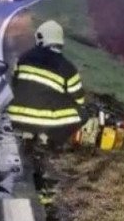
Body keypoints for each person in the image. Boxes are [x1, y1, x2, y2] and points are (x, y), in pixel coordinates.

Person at [6, 20, 88, 148]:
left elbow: (14, 84)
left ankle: (28, 133)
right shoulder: (67, 67)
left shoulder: (23, 58)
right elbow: (79, 100)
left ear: (40, 38)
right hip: (46, 124)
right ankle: (52, 140)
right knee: (83, 114)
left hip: (15, 118)